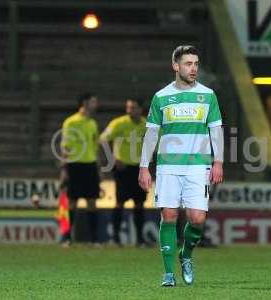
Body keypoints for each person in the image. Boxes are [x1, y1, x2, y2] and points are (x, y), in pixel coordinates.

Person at [138, 45, 224, 287]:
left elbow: (216, 130)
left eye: (196, 64)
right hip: (168, 167)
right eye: (188, 64)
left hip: (199, 166)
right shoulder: (161, 97)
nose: (193, 68)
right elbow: (151, 134)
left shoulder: (208, 95)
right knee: (169, 215)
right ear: (176, 66)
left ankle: (185, 255)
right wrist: (144, 166)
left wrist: (219, 161)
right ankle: (168, 273)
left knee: (197, 219)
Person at [100, 99, 147, 246]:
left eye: (132, 107)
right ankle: (115, 238)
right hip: (123, 168)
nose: (129, 110)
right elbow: (102, 139)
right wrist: (112, 159)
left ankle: (140, 239)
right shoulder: (118, 123)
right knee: (119, 202)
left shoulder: (147, 124)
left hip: (139, 169)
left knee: (139, 203)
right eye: (128, 107)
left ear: (140, 109)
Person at [61, 93, 100, 245]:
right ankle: (67, 237)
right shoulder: (70, 122)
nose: (96, 104)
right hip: (75, 164)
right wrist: (65, 169)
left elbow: (95, 148)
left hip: (90, 165)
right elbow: (65, 147)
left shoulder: (93, 123)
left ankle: (94, 239)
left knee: (92, 202)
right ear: (84, 103)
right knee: (72, 201)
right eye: (93, 102)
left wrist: (99, 169)